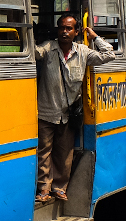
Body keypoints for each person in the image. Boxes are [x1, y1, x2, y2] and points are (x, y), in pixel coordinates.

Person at [34, 13, 115, 204]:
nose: (64, 31)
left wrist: (94, 36)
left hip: (68, 114)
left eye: (69, 28)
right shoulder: (49, 47)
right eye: (61, 27)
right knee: (44, 153)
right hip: (46, 111)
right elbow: (34, 53)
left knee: (64, 153)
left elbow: (109, 54)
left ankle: (59, 188)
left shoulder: (83, 52)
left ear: (76, 31)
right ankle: (44, 189)